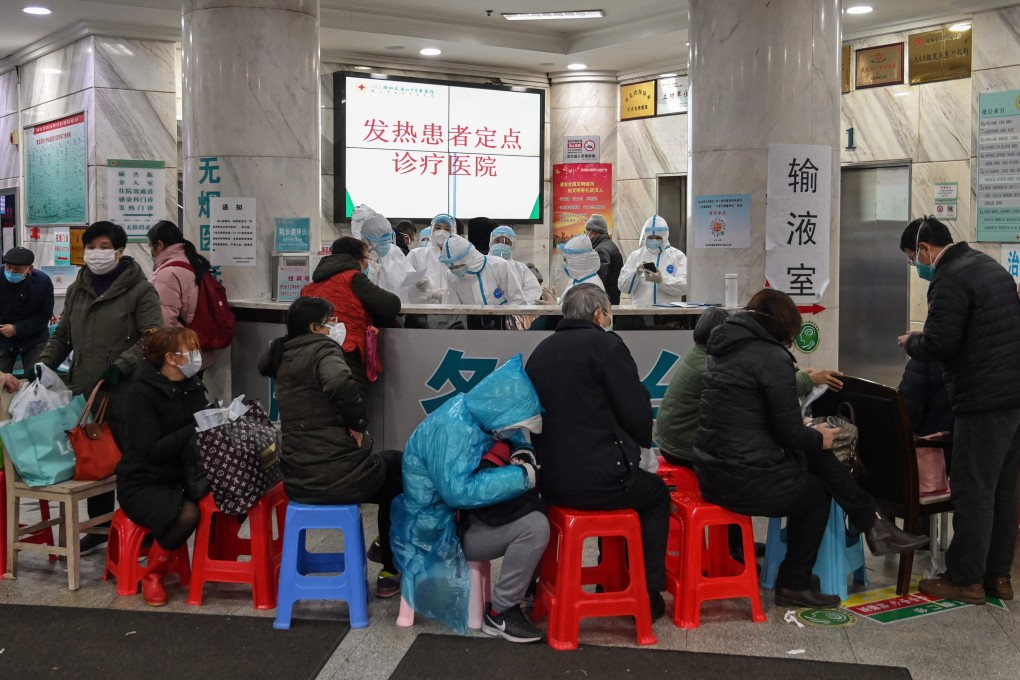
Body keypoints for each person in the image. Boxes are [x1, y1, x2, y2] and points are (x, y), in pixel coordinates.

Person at [695, 289, 928, 608]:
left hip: (711, 471)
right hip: (742, 479)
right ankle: (795, 582)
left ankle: (874, 525)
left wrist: (811, 439)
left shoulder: (722, 349)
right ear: (782, 329)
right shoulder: (770, 356)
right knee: (817, 490)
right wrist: (820, 437)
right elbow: (790, 433)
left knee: (815, 457)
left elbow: (753, 420)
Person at [525, 284, 669, 620]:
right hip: (602, 481)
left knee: (618, 478)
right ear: (598, 314)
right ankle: (647, 592)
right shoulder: (607, 346)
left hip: (549, 484)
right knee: (656, 494)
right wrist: (642, 448)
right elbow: (635, 411)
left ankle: (603, 576)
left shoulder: (542, 351)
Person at [897, 217, 1020, 604]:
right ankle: (997, 576)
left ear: (926, 249)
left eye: (912, 257)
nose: (916, 266)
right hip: (1013, 395)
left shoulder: (948, 277)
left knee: (973, 490)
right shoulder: (990, 267)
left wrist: (912, 342)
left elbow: (942, 342)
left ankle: (964, 578)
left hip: (983, 400)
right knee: (1003, 489)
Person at [391, 355, 546, 639]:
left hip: (458, 520)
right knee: (535, 527)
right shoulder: (452, 431)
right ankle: (502, 612)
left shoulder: (473, 411)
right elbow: (459, 492)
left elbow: (510, 431)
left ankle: (518, 593)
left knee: (536, 512)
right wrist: (523, 476)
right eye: (514, 425)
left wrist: (522, 450)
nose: (515, 431)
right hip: (440, 533)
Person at [258, 296, 404, 598]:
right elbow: (339, 382)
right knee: (399, 471)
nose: (337, 326)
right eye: (331, 321)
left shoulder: (284, 355)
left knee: (388, 465)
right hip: (337, 478)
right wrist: (357, 422)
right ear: (314, 327)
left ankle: (381, 546)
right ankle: (390, 568)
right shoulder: (323, 349)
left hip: (298, 480)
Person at [40, 221, 163, 555]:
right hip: (84, 387)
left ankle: (138, 529)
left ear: (120, 251)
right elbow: (63, 333)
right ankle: (99, 526)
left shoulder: (140, 289)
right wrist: (45, 364)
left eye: (103, 246)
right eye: (91, 246)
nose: (96, 253)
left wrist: (121, 367)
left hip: (125, 389)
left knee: (129, 462)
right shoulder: (80, 287)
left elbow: (152, 336)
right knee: (94, 457)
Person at [657, 309, 845, 467]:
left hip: (675, 442)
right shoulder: (710, 365)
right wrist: (806, 380)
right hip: (684, 449)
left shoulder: (700, 355)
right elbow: (761, 387)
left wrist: (796, 372)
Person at [116, 327, 208, 606]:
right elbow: (150, 450)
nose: (197, 357)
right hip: (144, 479)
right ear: (170, 357)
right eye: (190, 352)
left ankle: (213, 563)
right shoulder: (141, 394)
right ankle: (153, 574)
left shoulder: (192, 385)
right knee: (188, 513)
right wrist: (195, 427)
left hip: (183, 472)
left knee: (232, 495)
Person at [301, 237, 401, 394]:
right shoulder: (353, 278)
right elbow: (391, 305)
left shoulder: (309, 288)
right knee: (349, 408)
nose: (368, 263)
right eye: (367, 257)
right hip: (346, 355)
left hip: (310, 356)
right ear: (357, 258)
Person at [146, 221, 215, 363]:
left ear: (159, 245)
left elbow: (163, 320)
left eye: (150, 246)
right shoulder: (194, 262)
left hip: (180, 353)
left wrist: (156, 355)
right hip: (198, 346)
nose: (151, 252)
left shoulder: (167, 273)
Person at [0, 246, 54, 374]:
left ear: (29, 269)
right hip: (2, 339)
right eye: (8, 267)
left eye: (17, 269)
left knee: (36, 380)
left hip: (34, 339)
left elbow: (44, 316)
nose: (11, 271)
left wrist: (16, 329)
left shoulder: (43, 282)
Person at [618, 215, 688, 305]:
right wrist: (635, 274)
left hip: (669, 313)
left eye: (658, 238)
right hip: (641, 313)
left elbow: (685, 286)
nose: (654, 240)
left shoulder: (678, 256)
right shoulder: (636, 256)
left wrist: (662, 280)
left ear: (665, 236)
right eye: (650, 237)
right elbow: (622, 287)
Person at [439, 234, 527, 306]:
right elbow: (452, 306)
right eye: (452, 268)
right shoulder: (451, 276)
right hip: (471, 324)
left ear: (470, 258)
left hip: (503, 322)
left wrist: (506, 322)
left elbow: (517, 300)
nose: (456, 270)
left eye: (460, 266)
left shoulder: (498, 265)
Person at [489, 226, 543, 304]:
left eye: (506, 242)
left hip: (514, 313)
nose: (501, 244)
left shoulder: (521, 269)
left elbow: (533, 290)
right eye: (497, 241)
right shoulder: (482, 265)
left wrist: (518, 305)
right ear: (491, 242)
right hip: (485, 313)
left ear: (513, 245)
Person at [360, 213, 409, 298]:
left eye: (386, 241)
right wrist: (371, 266)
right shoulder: (360, 257)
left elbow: (407, 273)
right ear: (365, 240)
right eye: (379, 242)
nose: (385, 246)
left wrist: (419, 281)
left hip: (400, 304)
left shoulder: (395, 251)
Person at [585, 214, 623, 305]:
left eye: (587, 231)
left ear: (593, 232)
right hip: (610, 298)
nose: (586, 234)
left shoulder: (601, 250)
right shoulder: (609, 245)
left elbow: (598, 279)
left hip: (602, 302)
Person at [559, 233, 605, 299]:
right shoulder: (577, 279)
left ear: (578, 262)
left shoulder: (591, 289)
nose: (563, 263)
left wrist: (555, 307)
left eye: (565, 259)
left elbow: (576, 308)